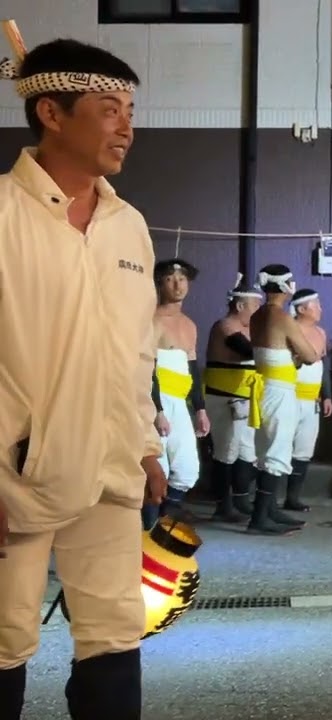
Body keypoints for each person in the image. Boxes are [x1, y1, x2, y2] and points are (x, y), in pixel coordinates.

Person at [0, 38, 165, 720]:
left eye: (129, 109)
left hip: (111, 470)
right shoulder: (4, 213)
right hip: (16, 476)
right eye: (108, 109)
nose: (125, 126)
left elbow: (138, 350)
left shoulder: (129, 226)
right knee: (6, 636)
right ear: (51, 113)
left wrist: (147, 447)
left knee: (115, 632)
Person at [247, 264, 321, 535]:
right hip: (279, 389)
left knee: (267, 448)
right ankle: (259, 517)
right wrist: (298, 355)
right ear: (284, 286)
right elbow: (311, 355)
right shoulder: (282, 318)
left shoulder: (256, 316)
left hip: (263, 386)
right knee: (276, 451)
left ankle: (268, 510)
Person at [145, 258, 209, 528]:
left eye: (182, 279)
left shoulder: (189, 325)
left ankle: (164, 520)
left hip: (181, 402)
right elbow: (147, 368)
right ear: (160, 283)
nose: (177, 284)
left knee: (186, 469)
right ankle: (146, 535)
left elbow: (193, 369)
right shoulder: (151, 320)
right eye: (170, 279)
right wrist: (157, 410)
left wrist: (201, 409)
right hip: (155, 402)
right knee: (157, 470)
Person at [204, 274, 263, 523]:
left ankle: (241, 498)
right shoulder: (225, 326)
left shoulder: (251, 329)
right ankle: (223, 505)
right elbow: (246, 350)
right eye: (254, 306)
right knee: (226, 450)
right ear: (240, 306)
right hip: (224, 397)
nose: (257, 312)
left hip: (246, 396)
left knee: (247, 450)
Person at [287, 289, 332, 513]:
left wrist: (327, 395)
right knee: (280, 446)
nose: (321, 309)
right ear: (302, 308)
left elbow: (323, 366)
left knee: (304, 449)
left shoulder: (321, 333)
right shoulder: (288, 328)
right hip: (289, 397)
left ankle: (292, 497)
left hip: (312, 399)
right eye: (317, 305)